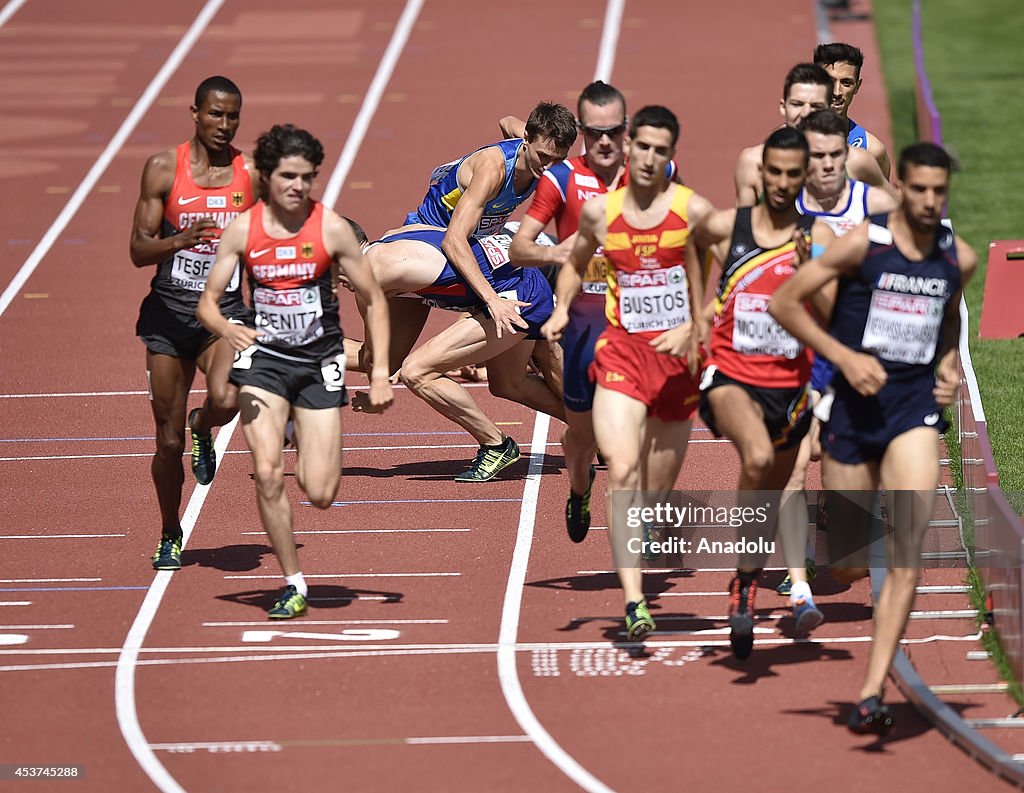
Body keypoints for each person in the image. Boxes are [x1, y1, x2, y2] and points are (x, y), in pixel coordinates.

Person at [768, 141, 975, 735]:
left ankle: (870, 690)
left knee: (907, 552)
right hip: (854, 417)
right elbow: (787, 301)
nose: (932, 201)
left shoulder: (957, 258)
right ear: (901, 189)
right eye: (922, 190)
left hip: (912, 414)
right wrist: (842, 357)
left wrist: (947, 366)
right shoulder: (863, 242)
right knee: (852, 567)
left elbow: (951, 315)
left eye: (941, 192)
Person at [197, 124, 393, 619]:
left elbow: (372, 298)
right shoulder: (243, 230)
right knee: (266, 473)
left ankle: (297, 427)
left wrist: (379, 373)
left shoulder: (331, 229)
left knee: (321, 493)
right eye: (288, 176)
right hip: (264, 362)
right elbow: (209, 303)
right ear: (266, 176)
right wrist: (229, 327)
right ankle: (293, 582)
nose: (297, 187)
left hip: (318, 363)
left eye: (306, 177)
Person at [542, 106, 713, 641]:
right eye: (643, 147)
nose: (649, 159)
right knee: (619, 470)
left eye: (662, 151)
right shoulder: (600, 214)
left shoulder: (693, 211)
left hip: (676, 363)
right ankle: (635, 602)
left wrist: (699, 323)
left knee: (656, 492)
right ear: (629, 144)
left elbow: (730, 262)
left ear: (670, 157)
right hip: (620, 353)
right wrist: (563, 307)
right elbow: (575, 262)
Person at [511, 80, 681, 543]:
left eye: (614, 131)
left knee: (642, 423)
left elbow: (681, 225)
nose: (604, 141)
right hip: (585, 324)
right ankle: (579, 489)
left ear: (626, 129)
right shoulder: (560, 180)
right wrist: (561, 254)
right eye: (593, 132)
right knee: (581, 437)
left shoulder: (656, 171)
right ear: (582, 131)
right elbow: (520, 249)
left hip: (641, 319)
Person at [692, 127, 834, 659]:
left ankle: (744, 582)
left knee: (770, 497)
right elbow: (691, 244)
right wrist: (693, 315)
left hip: (791, 390)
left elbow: (840, 311)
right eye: (771, 171)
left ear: (804, 179)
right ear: (761, 172)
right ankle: (747, 582)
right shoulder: (728, 227)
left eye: (790, 174)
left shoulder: (817, 241)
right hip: (729, 375)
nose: (778, 182)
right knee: (754, 455)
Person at [130, 76, 259, 571]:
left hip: (224, 313)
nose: (224, 126)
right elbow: (138, 250)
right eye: (215, 115)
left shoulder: (250, 175)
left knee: (227, 399)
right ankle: (170, 531)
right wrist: (178, 241)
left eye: (232, 117)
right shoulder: (164, 168)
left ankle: (203, 425)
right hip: (167, 317)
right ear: (195, 113)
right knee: (166, 441)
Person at [774, 108, 899, 597]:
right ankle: (796, 562)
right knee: (793, 454)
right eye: (815, 157)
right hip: (795, 343)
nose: (825, 167)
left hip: (857, 343)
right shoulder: (783, 205)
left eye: (834, 156)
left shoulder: (875, 200)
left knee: (848, 459)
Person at [344, 224, 566, 482]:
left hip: (510, 299)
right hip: (521, 279)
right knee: (509, 383)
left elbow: (377, 356)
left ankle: (497, 445)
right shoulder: (393, 236)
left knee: (417, 372)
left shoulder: (369, 274)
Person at [405, 101, 578, 337]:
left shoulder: (536, 149)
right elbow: (453, 240)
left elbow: (506, 121)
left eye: (558, 159)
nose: (549, 168)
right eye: (543, 157)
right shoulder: (492, 171)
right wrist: (492, 300)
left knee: (531, 330)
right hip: (428, 240)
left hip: (472, 243)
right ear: (526, 139)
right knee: (384, 361)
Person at [734, 63, 892, 208]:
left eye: (816, 106)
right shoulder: (752, 162)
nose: (805, 113)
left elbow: (895, 211)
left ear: (828, 109)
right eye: (797, 104)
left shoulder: (857, 162)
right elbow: (742, 230)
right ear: (783, 106)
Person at [814, 42, 891, 177]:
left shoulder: (872, 151)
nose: (837, 92)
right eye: (830, 81)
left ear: (857, 86)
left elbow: (882, 197)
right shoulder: (785, 141)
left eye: (846, 83)